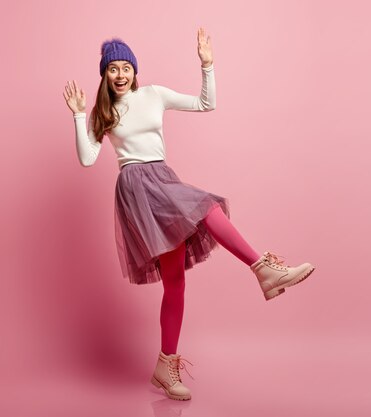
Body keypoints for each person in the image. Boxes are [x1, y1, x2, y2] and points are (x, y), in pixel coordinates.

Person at [62, 28, 315, 401]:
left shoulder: (153, 95)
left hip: (162, 176)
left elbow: (204, 104)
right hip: (136, 187)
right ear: (104, 74)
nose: (119, 74)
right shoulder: (103, 111)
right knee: (201, 219)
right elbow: (87, 159)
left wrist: (207, 65)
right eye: (112, 68)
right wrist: (79, 114)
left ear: (134, 70)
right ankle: (262, 268)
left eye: (125, 67)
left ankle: (166, 366)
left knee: (180, 271)